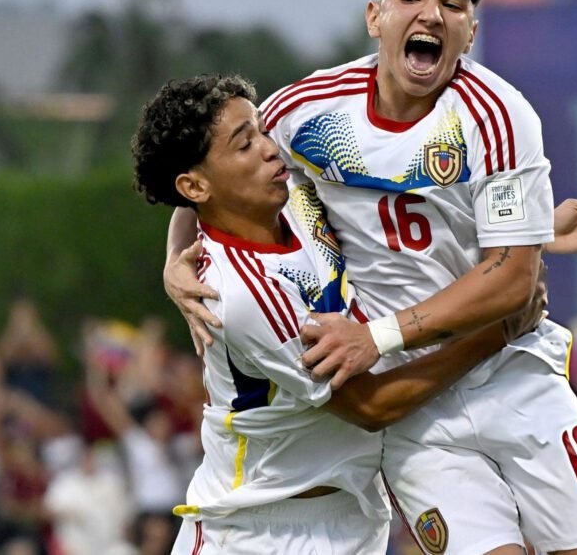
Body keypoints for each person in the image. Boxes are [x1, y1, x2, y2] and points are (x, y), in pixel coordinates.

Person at [165, 0, 577, 554]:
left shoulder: (498, 114)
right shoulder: (307, 108)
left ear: (470, 32)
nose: (431, 14)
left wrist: (379, 335)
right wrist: (175, 263)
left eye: (453, 3)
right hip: (416, 406)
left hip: (515, 377)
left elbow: (514, 280)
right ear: (376, 16)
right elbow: (211, 179)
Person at [132, 74, 543, 554]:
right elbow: (370, 407)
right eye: (245, 145)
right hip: (256, 533)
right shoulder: (239, 292)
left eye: (262, 130)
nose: (270, 148)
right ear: (195, 184)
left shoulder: (298, 195)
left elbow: (405, 225)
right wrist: (496, 331)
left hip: (354, 519)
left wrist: (535, 229)